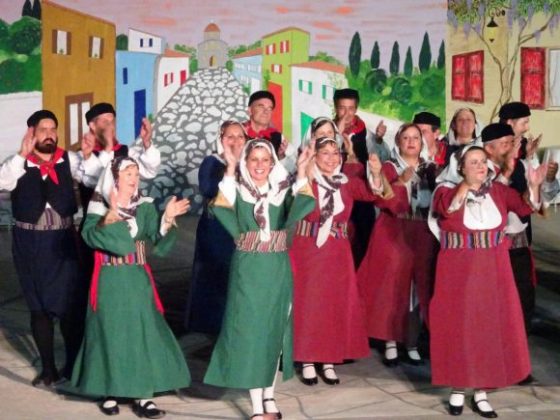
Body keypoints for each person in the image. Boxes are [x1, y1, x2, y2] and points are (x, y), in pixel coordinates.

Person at [429, 145, 546, 417]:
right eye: (473, 162)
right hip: (459, 272)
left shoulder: (498, 191)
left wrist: (534, 185)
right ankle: (458, 388)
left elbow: (525, 206)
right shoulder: (444, 191)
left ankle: (481, 392)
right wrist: (466, 186)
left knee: (489, 329)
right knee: (460, 328)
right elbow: (447, 209)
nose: (481, 166)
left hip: (494, 270)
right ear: (460, 167)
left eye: (483, 161)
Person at [204, 139, 315, 420]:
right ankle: (256, 407)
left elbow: (303, 203)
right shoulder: (238, 189)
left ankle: (269, 395)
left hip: (277, 267)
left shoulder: (280, 190)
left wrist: (303, 170)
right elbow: (221, 204)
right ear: (246, 161)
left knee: (274, 330)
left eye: (265, 160)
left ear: (273, 163)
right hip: (249, 268)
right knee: (251, 333)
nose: (259, 165)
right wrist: (230, 167)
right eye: (254, 159)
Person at [71, 156, 191, 418]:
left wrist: (167, 218)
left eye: (136, 173)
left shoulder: (144, 207)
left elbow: (156, 236)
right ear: (115, 178)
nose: (134, 178)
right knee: (111, 333)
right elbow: (89, 235)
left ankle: (143, 395)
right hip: (110, 279)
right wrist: (109, 218)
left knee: (141, 333)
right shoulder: (99, 206)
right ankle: (110, 391)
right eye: (128, 173)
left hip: (137, 279)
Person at [0, 110, 103, 385]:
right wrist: (21, 155)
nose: (49, 134)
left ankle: (72, 366)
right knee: (39, 307)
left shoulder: (68, 159)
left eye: (53, 129)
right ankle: (48, 369)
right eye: (43, 129)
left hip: (62, 241)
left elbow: (94, 180)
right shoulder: (18, 162)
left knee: (70, 306)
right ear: (32, 133)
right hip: (29, 243)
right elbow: (2, 181)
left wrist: (89, 157)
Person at [290, 132, 390, 386]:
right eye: (325, 153)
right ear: (314, 156)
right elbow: (295, 204)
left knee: (334, 303)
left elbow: (372, 193)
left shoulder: (345, 183)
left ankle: (329, 359)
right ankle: (307, 358)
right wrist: (304, 172)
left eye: (336, 153)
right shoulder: (306, 180)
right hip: (308, 248)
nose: (331, 158)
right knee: (309, 303)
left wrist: (376, 173)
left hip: (337, 251)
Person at [357, 123, 438, 367]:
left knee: (418, 288)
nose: (411, 142)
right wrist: (401, 182)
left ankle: (411, 342)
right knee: (392, 286)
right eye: (406, 138)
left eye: (416, 138)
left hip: (422, 231)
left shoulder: (430, 169)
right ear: (398, 142)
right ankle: (390, 341)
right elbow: (382, 200)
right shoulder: (389, 167)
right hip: (394, 229)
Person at [185, 120, 248, 334]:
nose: (236, 140)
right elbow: (208, 188)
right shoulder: (212, 162)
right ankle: (211, 325)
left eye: (240, 136)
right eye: (230, 136)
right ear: (221, 139)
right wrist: (231, 168)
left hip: (241, 227)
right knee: (215, 275)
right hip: (216, 229)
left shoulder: (251, 162)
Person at [333, 88, 384, 267]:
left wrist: (379, 140)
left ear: (356, 109)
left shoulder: (366, 133)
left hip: (361, 196)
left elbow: (380, 159)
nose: (346, 114)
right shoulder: (325, 130)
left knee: (363, 241)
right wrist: (336, 135)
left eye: (351, 108)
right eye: (342, 108)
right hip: (336, 194)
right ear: (335, 108)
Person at [242, 90, 298, 173]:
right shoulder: (237, 133)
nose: (266, 111)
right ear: (250, 110)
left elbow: (294, 170)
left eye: (269, 108)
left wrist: (281, 157)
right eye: (261, 107)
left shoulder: (280, 139)